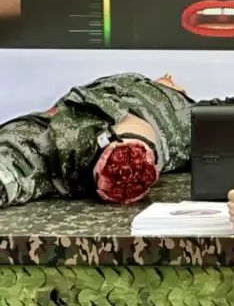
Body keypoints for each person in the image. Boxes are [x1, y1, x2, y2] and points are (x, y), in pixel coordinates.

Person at [0, 72, 192, 207]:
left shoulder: (186, 108)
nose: (169, 77)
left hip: (109, 133)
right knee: (17, 151)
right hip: (62, 119)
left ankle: (127, 157)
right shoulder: (130, 79)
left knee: (134, 129)